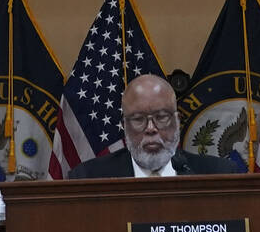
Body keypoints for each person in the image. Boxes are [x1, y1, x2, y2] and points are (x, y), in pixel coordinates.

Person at [69, 74, 241, 178]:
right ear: (124, 126)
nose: (151, 128)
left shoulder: (218, 175)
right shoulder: (89, 178)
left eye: (161, 117)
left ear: (177, 121)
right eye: (138, 119)